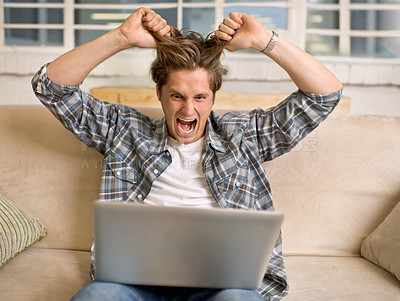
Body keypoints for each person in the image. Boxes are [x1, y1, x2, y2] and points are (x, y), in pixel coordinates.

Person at [32, 7, 343, 301]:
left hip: (222, 285)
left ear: (213, 97)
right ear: (159, 94)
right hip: (135, 283)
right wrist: (121, 38)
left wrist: (265, 41)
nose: (188, 110)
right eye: (177, 96)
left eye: (200, 97)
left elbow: (324, 95)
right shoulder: (124, 131)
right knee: (99, 296)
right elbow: (51, 87)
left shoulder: (244, 134)